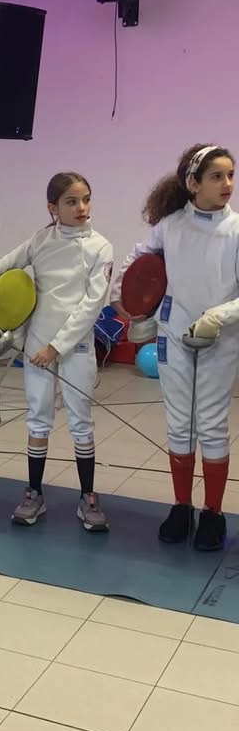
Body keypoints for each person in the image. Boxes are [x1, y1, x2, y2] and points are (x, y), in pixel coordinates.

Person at [112, 144, 238, 551]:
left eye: (231, 175)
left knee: (213, 425)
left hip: (222, 337)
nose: (227, 184)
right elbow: (135, 266)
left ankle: (213, 513)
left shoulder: (236, 230)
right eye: (217, 176)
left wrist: (219, 315)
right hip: (174, 335)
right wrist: (127, 303)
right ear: (193, 183)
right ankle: (182, 507)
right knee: (179, 423)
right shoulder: (170, 226)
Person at [0, 172, 113, 531]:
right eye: (71, 201)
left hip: (75, 346)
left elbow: (91, 304)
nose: (81, 207)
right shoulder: (40, 241)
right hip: (38, 346)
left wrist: (56, 346)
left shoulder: (100, 247)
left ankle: (88, 497)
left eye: (86, 199)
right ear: (53, 207)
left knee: (81, 420)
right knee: (38, 419)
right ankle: (34, 493)